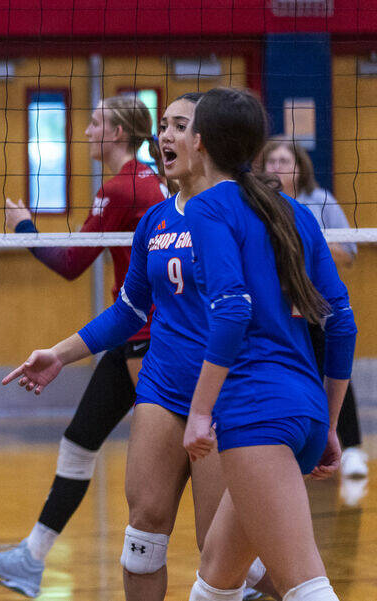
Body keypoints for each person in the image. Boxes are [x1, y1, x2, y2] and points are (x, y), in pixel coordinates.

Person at [0, 94, 166, 597]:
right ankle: (30, 559)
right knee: (79, 441)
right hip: (133, 330)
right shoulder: (148, 181)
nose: (86, 130)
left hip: (148, 336)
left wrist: (24, 229)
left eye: (96, 122)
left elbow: (72, 261)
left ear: (118, 133)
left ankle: (248, 571)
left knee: (181, 456)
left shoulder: (123, 186)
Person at [181, 87, 355, 601]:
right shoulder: (296, 213)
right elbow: (341, 323)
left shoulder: (208, 208)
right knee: (215, 574)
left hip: (256, 411)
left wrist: (198, 412)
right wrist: (326, 421)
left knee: (306, 586)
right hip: (300, 408)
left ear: (199, 142)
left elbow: (233, 310)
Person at [261, 139, 368, 482]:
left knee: (335, 371)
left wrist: (307, 243)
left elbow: (348, 251)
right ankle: (292, 443)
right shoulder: (260, 207)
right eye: (271, 161)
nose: (277, 166)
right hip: (278, 309)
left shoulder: (319, 201)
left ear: (299, 166)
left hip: (316, 304)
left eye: (284, 159)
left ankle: (351, 450)